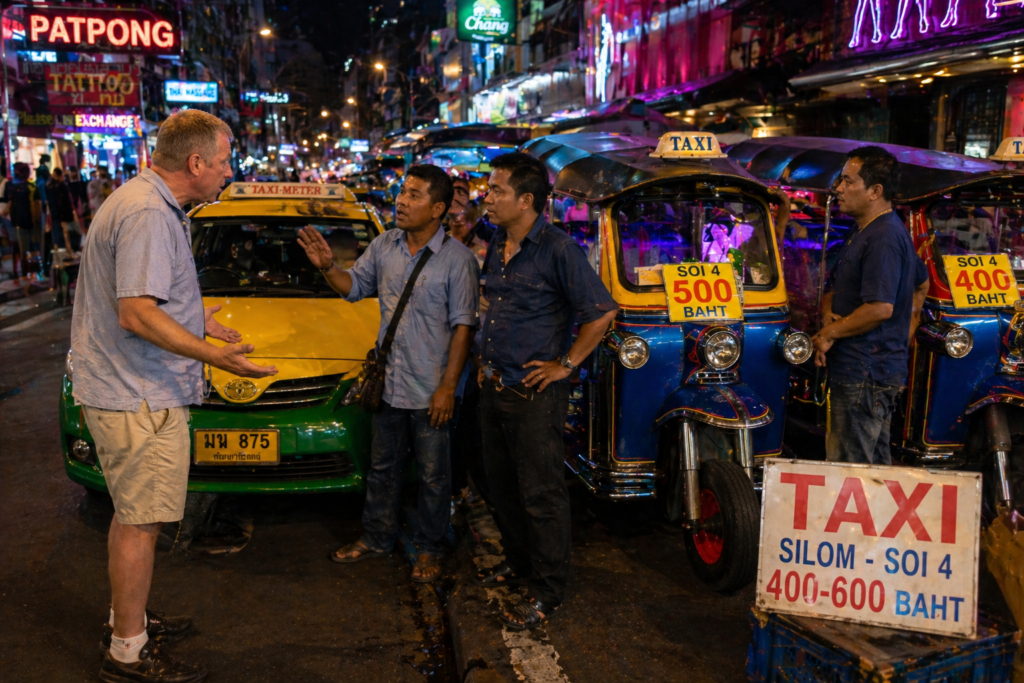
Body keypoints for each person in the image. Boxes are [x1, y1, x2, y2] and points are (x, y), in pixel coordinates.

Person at [71, 109, 278, 683]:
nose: (227, 171)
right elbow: (136, 313)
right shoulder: (147, 215)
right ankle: (127, 653)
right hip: (138, 392)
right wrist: (213, 355)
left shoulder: (144, 201)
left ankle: (127, 619)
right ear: (195, 163)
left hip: (129, 386)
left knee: (132, 518)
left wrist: (195, 316)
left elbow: (146, 298)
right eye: (224, 159)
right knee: (140, 523)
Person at [297, 164, 479, 583]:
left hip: (432, 387)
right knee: (383, 468)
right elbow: (353, 287)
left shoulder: (458, 261)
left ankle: (432, 548)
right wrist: (327, 266)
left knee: (435, 477)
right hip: (391, 384)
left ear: (438, 208)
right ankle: (377, 537)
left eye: (414, 195)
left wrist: (448, 388)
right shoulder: (384, 245)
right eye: (402, 192)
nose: (401, 200)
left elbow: (464, 329)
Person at [473, 153, 618, 630]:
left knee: (541, 495)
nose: (487, 198)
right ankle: (520, 566)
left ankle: (548, 589)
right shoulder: (497, 240)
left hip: (534, 395)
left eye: (496, 191)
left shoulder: (558, 249)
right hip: (495, 385)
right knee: (501, 488)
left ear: (527, 200)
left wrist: (565, 364)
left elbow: (600, 312)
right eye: (488, 190)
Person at [811, 146, 929, 465]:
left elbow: (880, 308)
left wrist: (830, 333)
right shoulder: (864, 227)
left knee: (850, 467)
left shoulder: (885, 237)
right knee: (872, 464)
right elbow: (920, 279)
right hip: (863, 368)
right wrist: (829, 318)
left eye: (848, 181)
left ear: (875, 191)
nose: (839, 188)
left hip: (866, 372)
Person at [2, 162, 43, 281]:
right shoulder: (29, 187)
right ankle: (33, 273)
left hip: (25, 223)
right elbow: (38, 206)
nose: (15, 173)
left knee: (26, 250)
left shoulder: (20, 187)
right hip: (25, 223)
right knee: (32, 249)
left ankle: (29, 273)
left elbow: (37, 206)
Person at [47, 167, 81, 253]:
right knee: (68, 234)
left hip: (55, 215)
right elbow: (67, 201)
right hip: (64, 215)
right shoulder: (62, 186)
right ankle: (69, 252)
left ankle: (61, 254)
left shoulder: (49, 186)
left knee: (58, 236)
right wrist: (69, 214)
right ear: (60, 175)